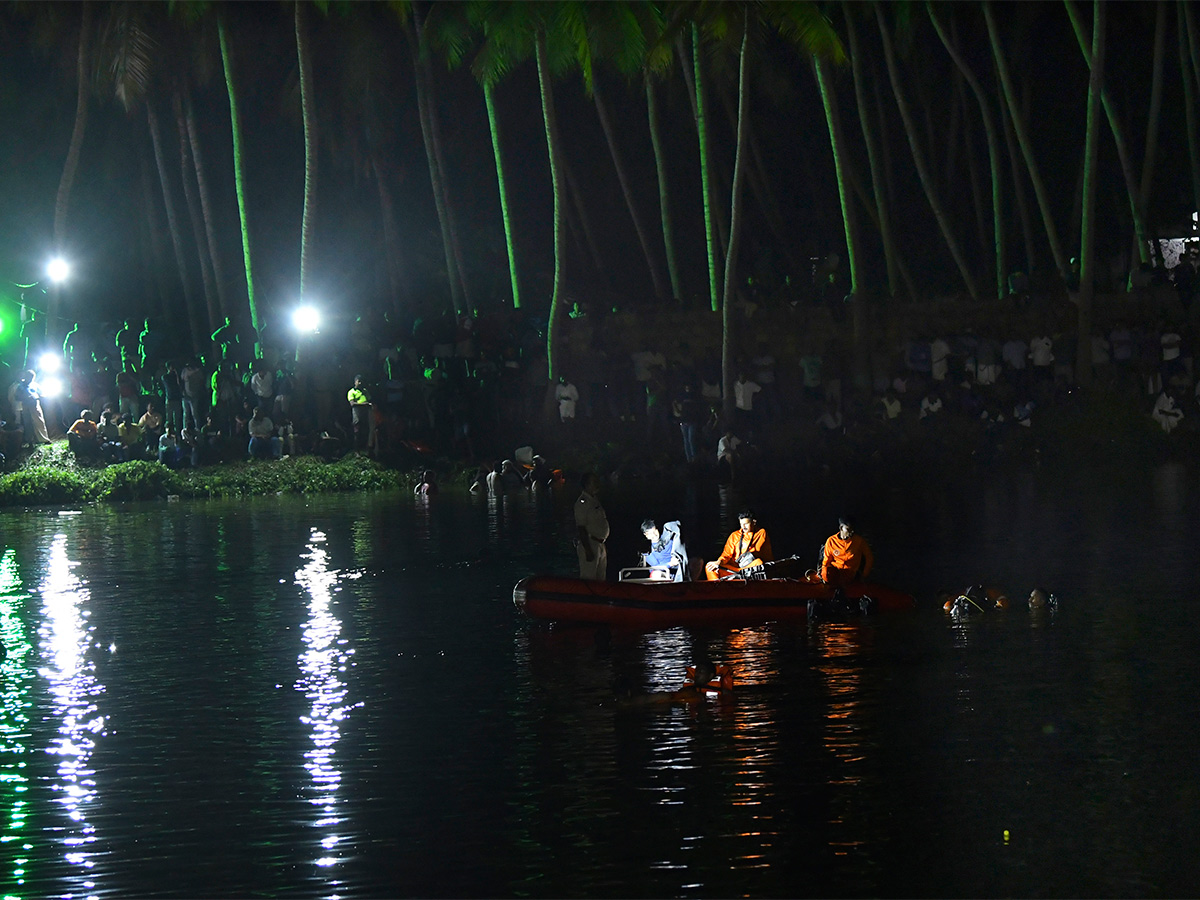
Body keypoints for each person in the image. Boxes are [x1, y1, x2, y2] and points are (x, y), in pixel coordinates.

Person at [706, 510, 772, 580]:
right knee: (710, 567)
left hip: (749, 568)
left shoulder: (761, 533)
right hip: (734, 569)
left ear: (754, 522)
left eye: (746, 524)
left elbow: (757, 552)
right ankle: (717, 589)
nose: (743, 527)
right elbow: (726, 555)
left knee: (759, 562)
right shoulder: (734, 535)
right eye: (741, 524)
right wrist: (719, 562)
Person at [574, 472, 609, 580]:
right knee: (589, 578)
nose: (597, 484)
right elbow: (581, 527)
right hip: (590, 543)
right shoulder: (582, 503)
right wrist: (588, 550)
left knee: (600, 578)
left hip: (600, 543)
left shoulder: (594, 501)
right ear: (587, 484)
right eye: (594, 482)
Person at [820, 516, 874, 586]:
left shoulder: (859, 541)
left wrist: (864, 575)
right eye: (849, 529)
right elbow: (826, 560)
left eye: (852, 529)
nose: (852, 532)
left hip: (850, 573)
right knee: (826, 573)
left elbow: (869, 557)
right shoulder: (831, 541)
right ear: (841, 528)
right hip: (834, 571)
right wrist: (824, 573)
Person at [347, 375, 372, 450]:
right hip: (357, 412)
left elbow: (369, 400)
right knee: (357, 431)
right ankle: (356, 450)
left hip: (366, 412)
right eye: (358, 381)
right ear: (355, 382)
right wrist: (363, 404)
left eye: (361, 381)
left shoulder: (365, 391)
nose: (360, 383)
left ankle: (365, 448)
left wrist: (368, 405)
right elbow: (352, 404)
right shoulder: (351, 391)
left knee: (365, 430)